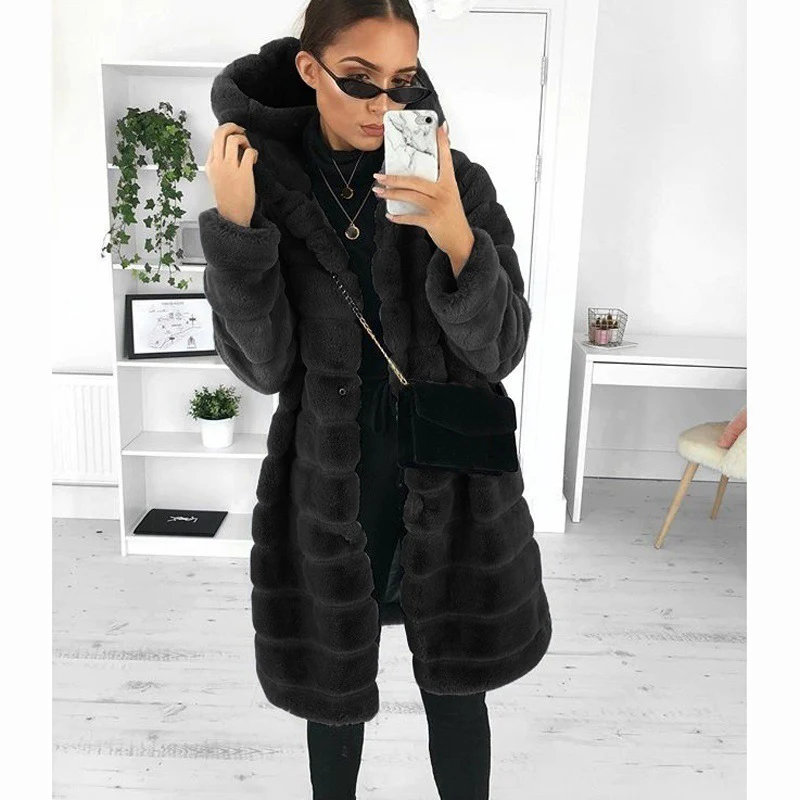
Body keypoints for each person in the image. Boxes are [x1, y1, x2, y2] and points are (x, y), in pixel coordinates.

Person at [199, 2, 553, 798]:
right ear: (309, 68)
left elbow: (500, 350)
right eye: (359, 80)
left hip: (449, 479)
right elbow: (263, 369)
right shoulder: (265, 191)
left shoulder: (457, 180)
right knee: (334, 696)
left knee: (455, 688)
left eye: (403, 82)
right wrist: (236, 229)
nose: (383, 105)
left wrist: (455, 232)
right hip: (331, 478)